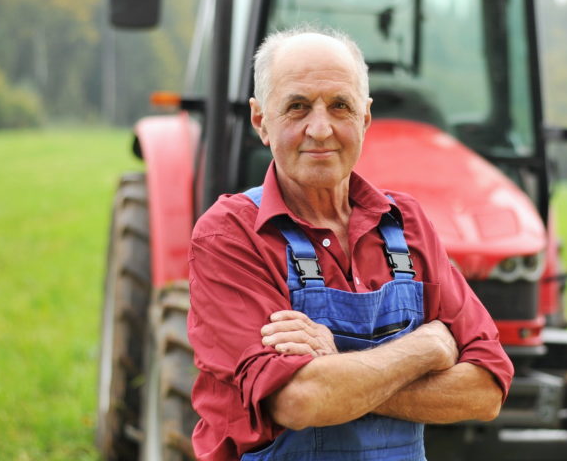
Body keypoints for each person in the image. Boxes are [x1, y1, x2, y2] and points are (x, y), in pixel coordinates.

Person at [187, 27, 514, 461]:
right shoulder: (230, 235)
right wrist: (425, 348)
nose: (320, 130)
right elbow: (300, 401)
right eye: (297, 107)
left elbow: (486, 390)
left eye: (340, 106)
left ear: (364, 118)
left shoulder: (407, 224)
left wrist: (336, 366)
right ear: (261, 120)